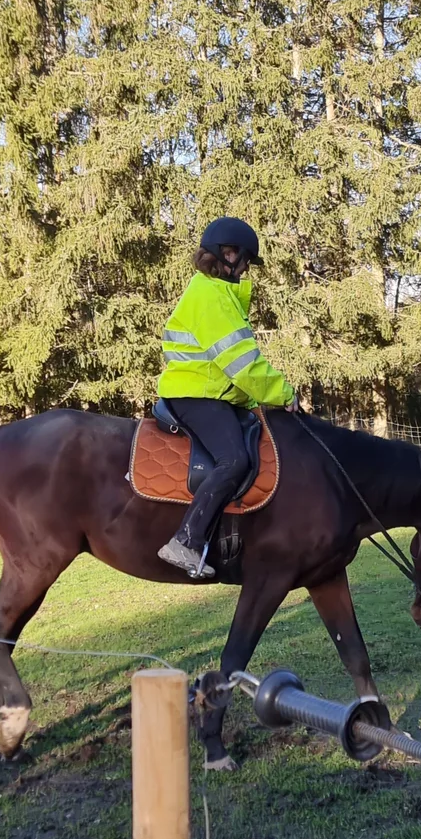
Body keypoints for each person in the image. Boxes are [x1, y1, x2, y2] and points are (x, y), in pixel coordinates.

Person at [156, 218, 295, 577]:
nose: (247, 266)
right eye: (245, 258)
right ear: (226, 254)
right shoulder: (211, 295)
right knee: (233, 460)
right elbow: (242, 364)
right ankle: (185, 540)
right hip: (195, 394)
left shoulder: (218, 294)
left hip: (213, 393)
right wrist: (282, 394)